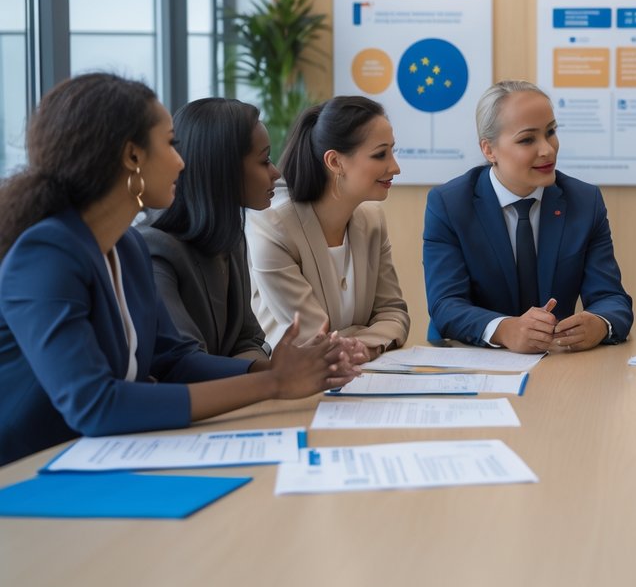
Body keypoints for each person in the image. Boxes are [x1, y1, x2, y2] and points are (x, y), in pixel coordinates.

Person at [0, 74, 356, 466]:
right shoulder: (45, 254)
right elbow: (95, 405)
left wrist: (273, 367)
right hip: (29, 470)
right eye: (170, 144)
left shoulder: (128, 247)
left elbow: (174, 361)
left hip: (103, 457)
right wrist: (272, 383)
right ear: (132, 157)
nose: (182, 161)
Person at [423, 80, 633, 353]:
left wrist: (599, 323)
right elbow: (446, 304)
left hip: (554, 360)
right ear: (489, 150)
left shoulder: (584, 202)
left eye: (551, 132)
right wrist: (504, 329)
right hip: (470, 357)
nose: (548, 149)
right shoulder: (450, 204)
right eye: (527, 139)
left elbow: (612, 298)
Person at [247, 96, 409, 359]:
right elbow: (313, 340)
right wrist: (366, 334)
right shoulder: (273, 227)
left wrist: (364, 346)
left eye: (392, 151)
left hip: (361, 373)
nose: (395, 167)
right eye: (380, 154)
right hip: (294, 379)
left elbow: (394, 314)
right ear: (335, 162)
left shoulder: (373, 220)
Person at [138, 99, 276, 360]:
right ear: (223, 168)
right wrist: (274, 375)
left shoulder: (230, 237)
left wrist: (270, 372)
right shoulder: (156, 249)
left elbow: (248, 338)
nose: (276, 172)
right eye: (265, 160)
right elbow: (184, 362)